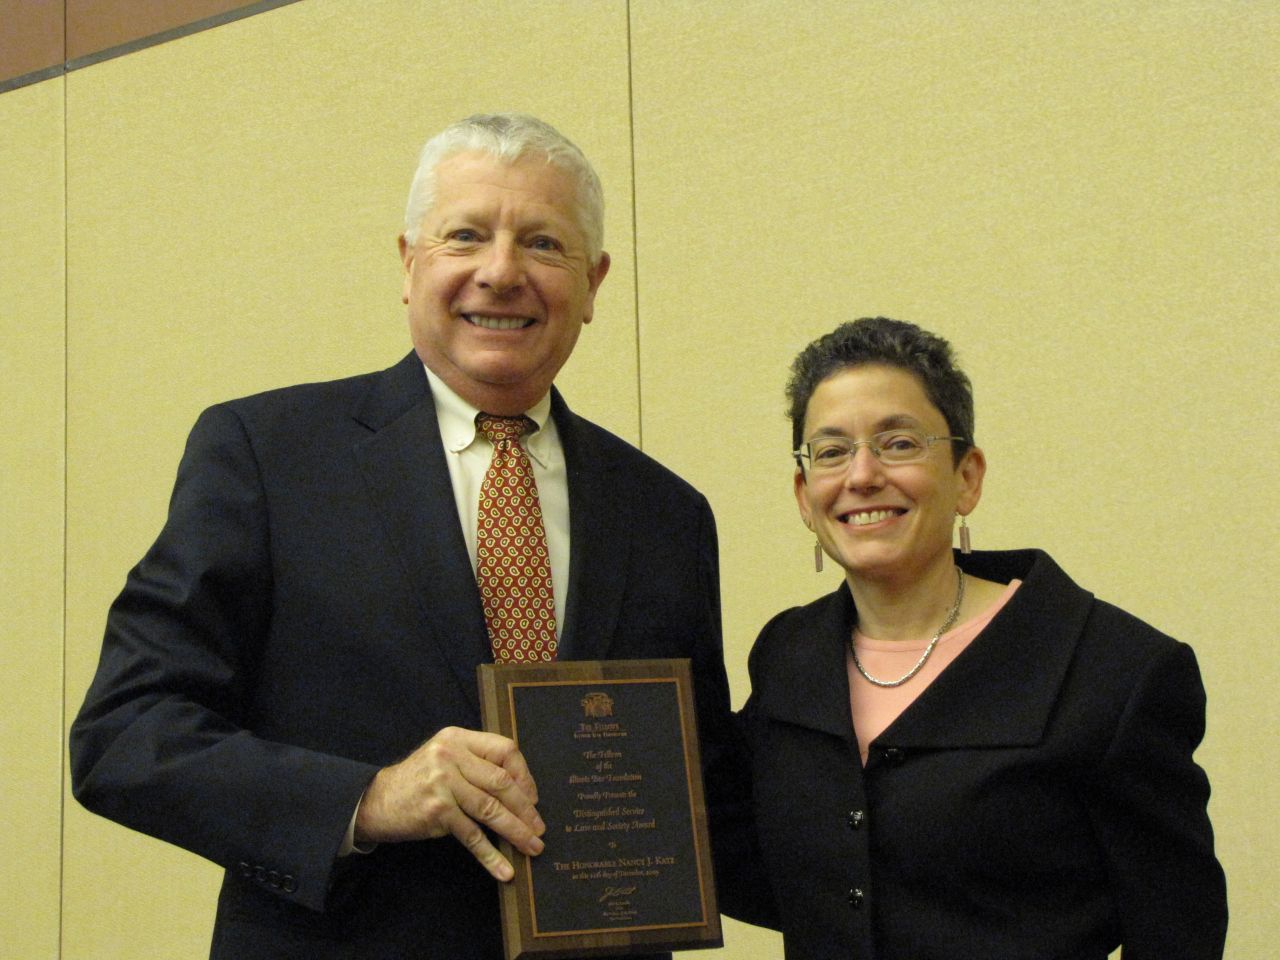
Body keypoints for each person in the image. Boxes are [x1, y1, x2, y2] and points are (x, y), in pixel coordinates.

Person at [70, 113, 741, 960]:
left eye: (542, 243)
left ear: (595, 281)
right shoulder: (269, 457)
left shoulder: (667, 514)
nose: (501, 273)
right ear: (409, 262)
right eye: (466, 235)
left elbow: (707, 792)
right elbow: (125, 735)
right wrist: (370, 798)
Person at [727, 317, 1227, 958]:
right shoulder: (787, 656)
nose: (861, 475)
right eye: (830, 452)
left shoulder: (1116, 670)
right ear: (804, 495)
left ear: (968, 476)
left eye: (899, 443)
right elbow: (767, 867)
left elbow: (1179, 930)